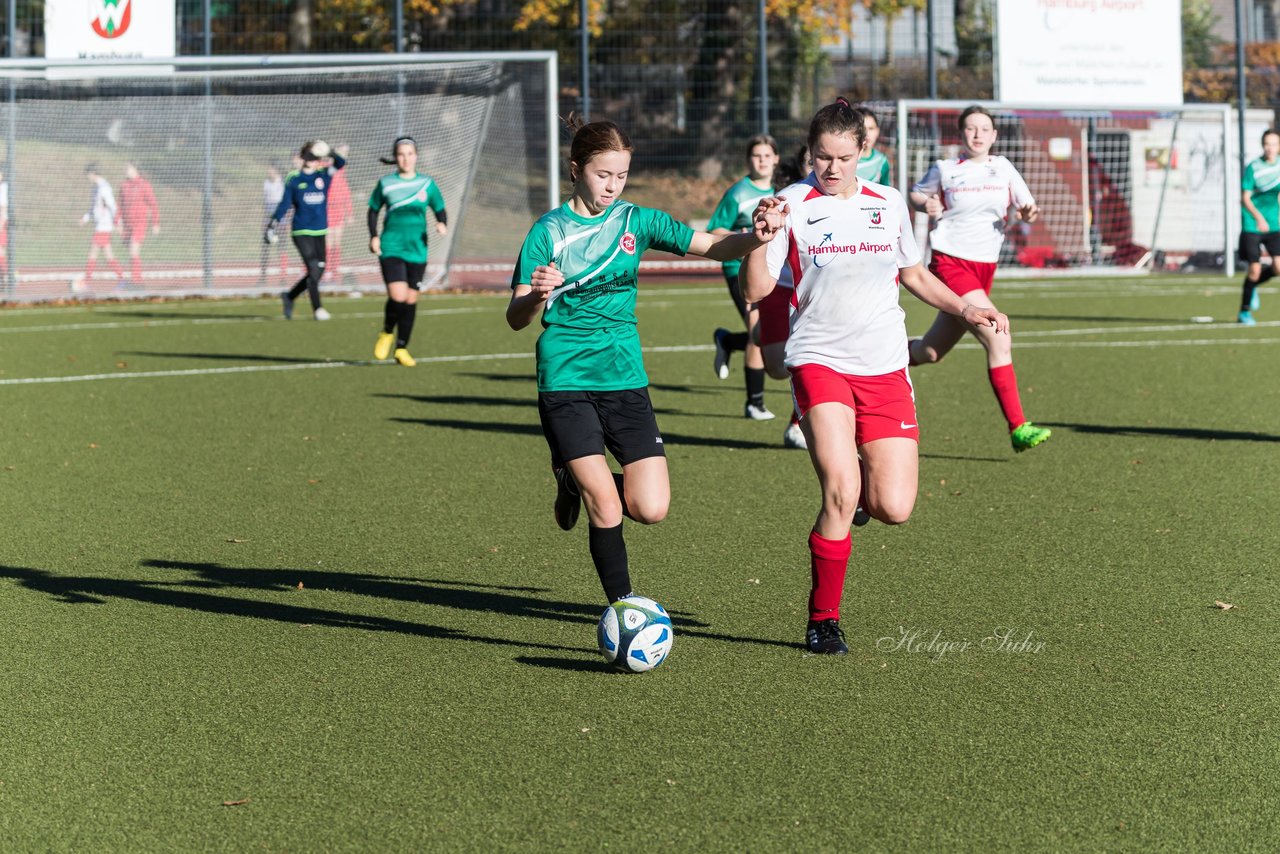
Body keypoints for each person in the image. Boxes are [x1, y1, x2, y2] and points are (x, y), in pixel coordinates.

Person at [741, 98, 1008, 655]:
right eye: (821, 157)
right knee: (839, 490)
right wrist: (762, 237)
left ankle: (864, 489)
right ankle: (823, 621)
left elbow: (913, 273)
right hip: (820, 359)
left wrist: (965, 308)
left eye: (842, 156)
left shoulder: (888, 203)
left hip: (885, 366)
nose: (831, 168)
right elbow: (757, 293)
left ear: (863, 150)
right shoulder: (789, 203)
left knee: (895, 508)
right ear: (810, 154)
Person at [506, 116, 785, 607]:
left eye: (621, 175)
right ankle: (624, 607)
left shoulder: (637, 221)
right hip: (566, 378)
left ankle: (571, 476)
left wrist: (756, 236)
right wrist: (535, 296)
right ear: (576, 170)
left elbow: (714, 246)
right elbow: (516, 316)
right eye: (602, 175)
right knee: (607, 504)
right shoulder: (547, 232)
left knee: (650, 507)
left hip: (624, 376)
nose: (612, 186)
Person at [907, 105, 1051, 453]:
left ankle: (875, 352)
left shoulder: (1002, 168)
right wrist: (924, 203)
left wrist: (1029, 212)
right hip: (950, 265)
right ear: (961, 134)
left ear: (994, 136)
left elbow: (1028, 205)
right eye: (971, 128)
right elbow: (915, 193)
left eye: (984, 129)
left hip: (983, 271)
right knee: (999, 339)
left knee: (929, 351)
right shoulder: (945, 169)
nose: (977, 134)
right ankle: (1018, 426)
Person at [708, 134, 781, 420]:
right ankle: (755, 403)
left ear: (776, 158)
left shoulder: (783, 190)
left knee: (765, 333)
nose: (762, 160)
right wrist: (742, 237)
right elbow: (714, 230)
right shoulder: (737, 193)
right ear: (748, 160)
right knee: (758, 329)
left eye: (767, 155)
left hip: (771, 270)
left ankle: (727, 341)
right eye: (756, 155)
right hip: (739, 270)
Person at [368, 136, 448, 367]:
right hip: (391, 247)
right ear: (395, 157)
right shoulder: (386, 183)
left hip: (417, 250)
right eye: (401, 154)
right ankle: (386, 332)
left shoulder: (427, 184)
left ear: (416, 156)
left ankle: (402, 348)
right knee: (398, 296)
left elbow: (440, 209)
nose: (405, 159)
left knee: (411, 299)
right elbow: (373, 210)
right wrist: (373, 236)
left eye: (409, 154)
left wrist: (441, 223)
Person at [757, 143, 811, 449]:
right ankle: (749, 335)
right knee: (778, 367)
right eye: (811, 161)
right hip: (781, 288)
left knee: (812, 358)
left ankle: (799, 423)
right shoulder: (788, 198)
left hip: (815, 295)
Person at [266, 140, 347, 321]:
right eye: (308, 156)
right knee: (312, 267)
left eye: (314, 157)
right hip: (301, 230)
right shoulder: (294, 178)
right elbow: (285, 203)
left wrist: (329, 152)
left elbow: (341, 163)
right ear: (303, 158)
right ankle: (317, 309)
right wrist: (273, 223)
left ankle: (289, 296)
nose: (311, 160)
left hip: (320, 230)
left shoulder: (324, 175)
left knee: (318, 269)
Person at [1237, 128, 1280, 325]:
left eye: (1274, 144)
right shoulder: (1254, 167)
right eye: (1267, 144)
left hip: (1273, 223)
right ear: (1263, 146)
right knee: (1254, 270)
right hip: (1253, 223)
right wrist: (1259, 218)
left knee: (1278, 267)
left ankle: (1253, 286)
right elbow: (1245, 198)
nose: (1270, 148)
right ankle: (1244, 312)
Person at [79, 165, 125, 290]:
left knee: (93, 252)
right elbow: (94, 208)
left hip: (104, 226)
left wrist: (118, 222)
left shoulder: (104, 188)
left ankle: (86, 281)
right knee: (108, 255)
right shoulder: (95, 188)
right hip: (100, 225)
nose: (87, 178)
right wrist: (85, 218)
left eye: (88, 174)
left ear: (93, 173)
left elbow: (112, 206)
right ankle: (121, 278)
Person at [117, 162, 160, 288]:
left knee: (133, 249)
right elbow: (120, 205)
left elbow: (153, 204)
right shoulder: (124, 185)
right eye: (125, 168)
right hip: (127, 224)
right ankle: (137, 280)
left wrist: (155, 223)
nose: (126, 170)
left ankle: (136, 281)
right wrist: (117, 221)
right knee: (131, 252)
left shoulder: (144, 185)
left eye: (128, 168)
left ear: (135, 169)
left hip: (139, 223)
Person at [327, 144, 354, 284]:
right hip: (328, 210)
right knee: (328, 242)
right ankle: (327, 272)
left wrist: (349, 212)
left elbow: (346, 193)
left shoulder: (341, 172)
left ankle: (334, 271)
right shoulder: (327, 169)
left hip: (339, 210)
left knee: (337, 243)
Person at [260, 165, 287, 284]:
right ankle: (263, 276)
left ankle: (283, 276)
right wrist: (264, 220)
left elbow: (287, 203)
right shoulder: (266, 183)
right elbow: (265, 203)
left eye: (271, 168)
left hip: (281, 217)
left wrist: (286, 220)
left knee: (282, 246)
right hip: (269, 218)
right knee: (265, 247)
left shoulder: (282, 183)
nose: (268, 171)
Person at [856, 108, 892, 184]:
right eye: (862, 128)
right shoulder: (843, 160)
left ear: (877, 131)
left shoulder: (881, 161)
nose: (866, 133)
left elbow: (885, 192)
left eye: (871, 128)